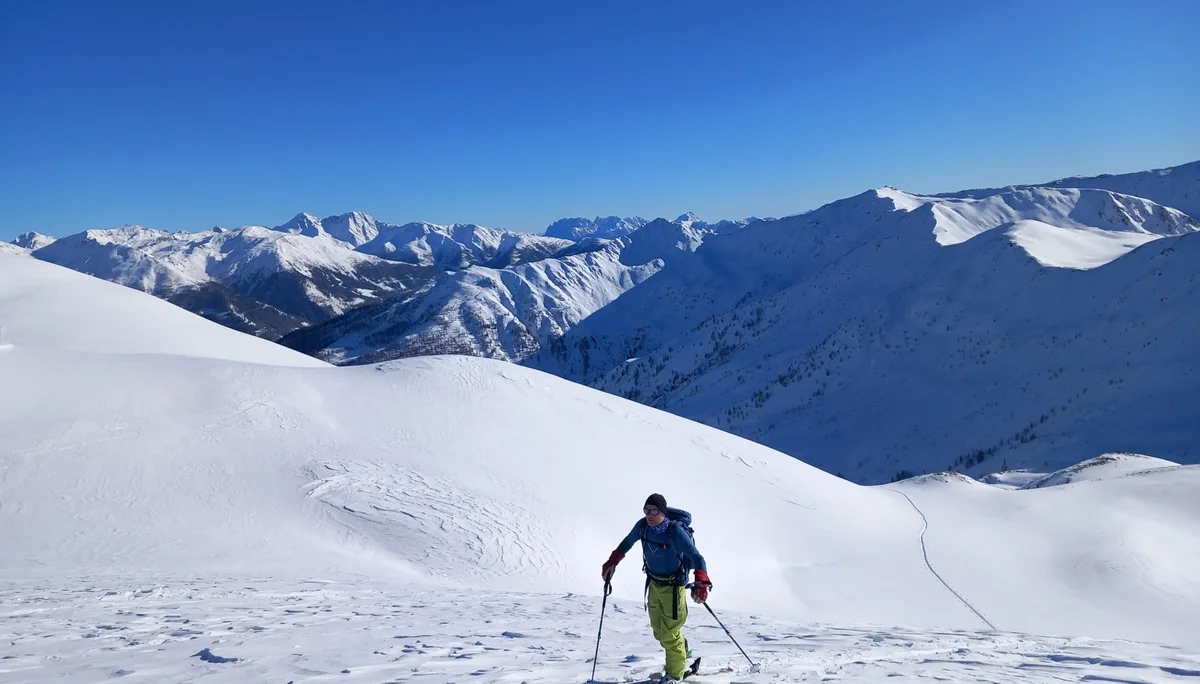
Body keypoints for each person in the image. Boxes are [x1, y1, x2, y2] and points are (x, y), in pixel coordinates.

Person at [601, 493, 712, 683]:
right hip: (654, 583)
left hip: (673, 588)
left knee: (669, 633)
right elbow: (627, 542)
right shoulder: (643, 527)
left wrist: (701, 580)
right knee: (659, 631)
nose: (649, 515)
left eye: (653, 511)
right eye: (646, 511)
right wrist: (613, 561)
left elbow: (698, 558)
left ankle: (674, 675)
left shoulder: (674, 531)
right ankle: (682, 649)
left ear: (663, 512)